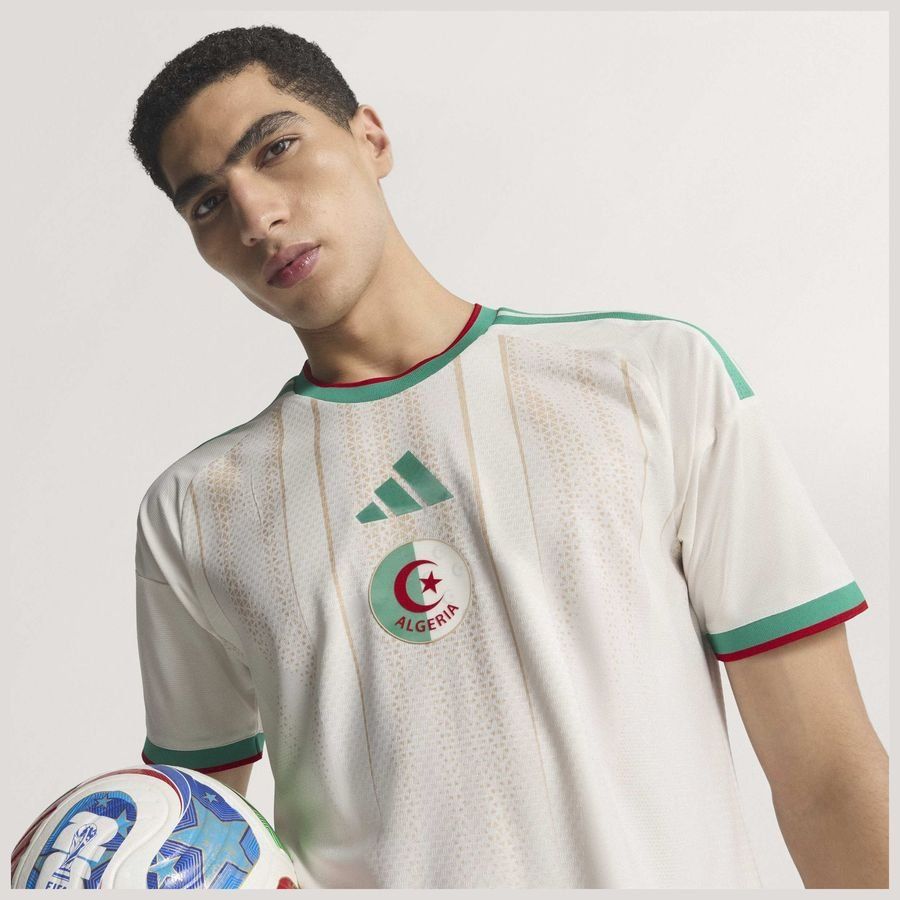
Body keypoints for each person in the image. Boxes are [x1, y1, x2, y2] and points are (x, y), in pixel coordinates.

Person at [126, 25, 887, 889]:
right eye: (206, 204)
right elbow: (180, 848)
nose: (256, 215)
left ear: (371, 137)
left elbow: (825, 775)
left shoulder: (648, 378)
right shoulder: (196, 509)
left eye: (276, 148)